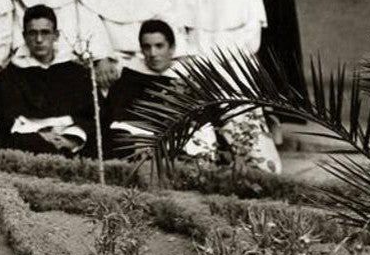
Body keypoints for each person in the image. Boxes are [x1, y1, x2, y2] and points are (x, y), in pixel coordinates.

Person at [103, 19, 281, 171]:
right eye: (147, 47)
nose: (153, 53)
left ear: (172, 48)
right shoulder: (130, 77)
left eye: (159, 46)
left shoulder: (187, 76)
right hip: (143, 135)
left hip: (182, 134)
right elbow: (120, 114)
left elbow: (207, 113)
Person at [0, 5, 97, 156]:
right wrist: (39, 136)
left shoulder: (76, 72)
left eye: (45, 32)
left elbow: (92, 114)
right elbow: (5, 117)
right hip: (30, 138)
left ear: (56, 35)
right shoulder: (11, 75)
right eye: (32, 33)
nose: (39, 40)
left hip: (71, 137)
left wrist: (71, 138)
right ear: (24, 36)